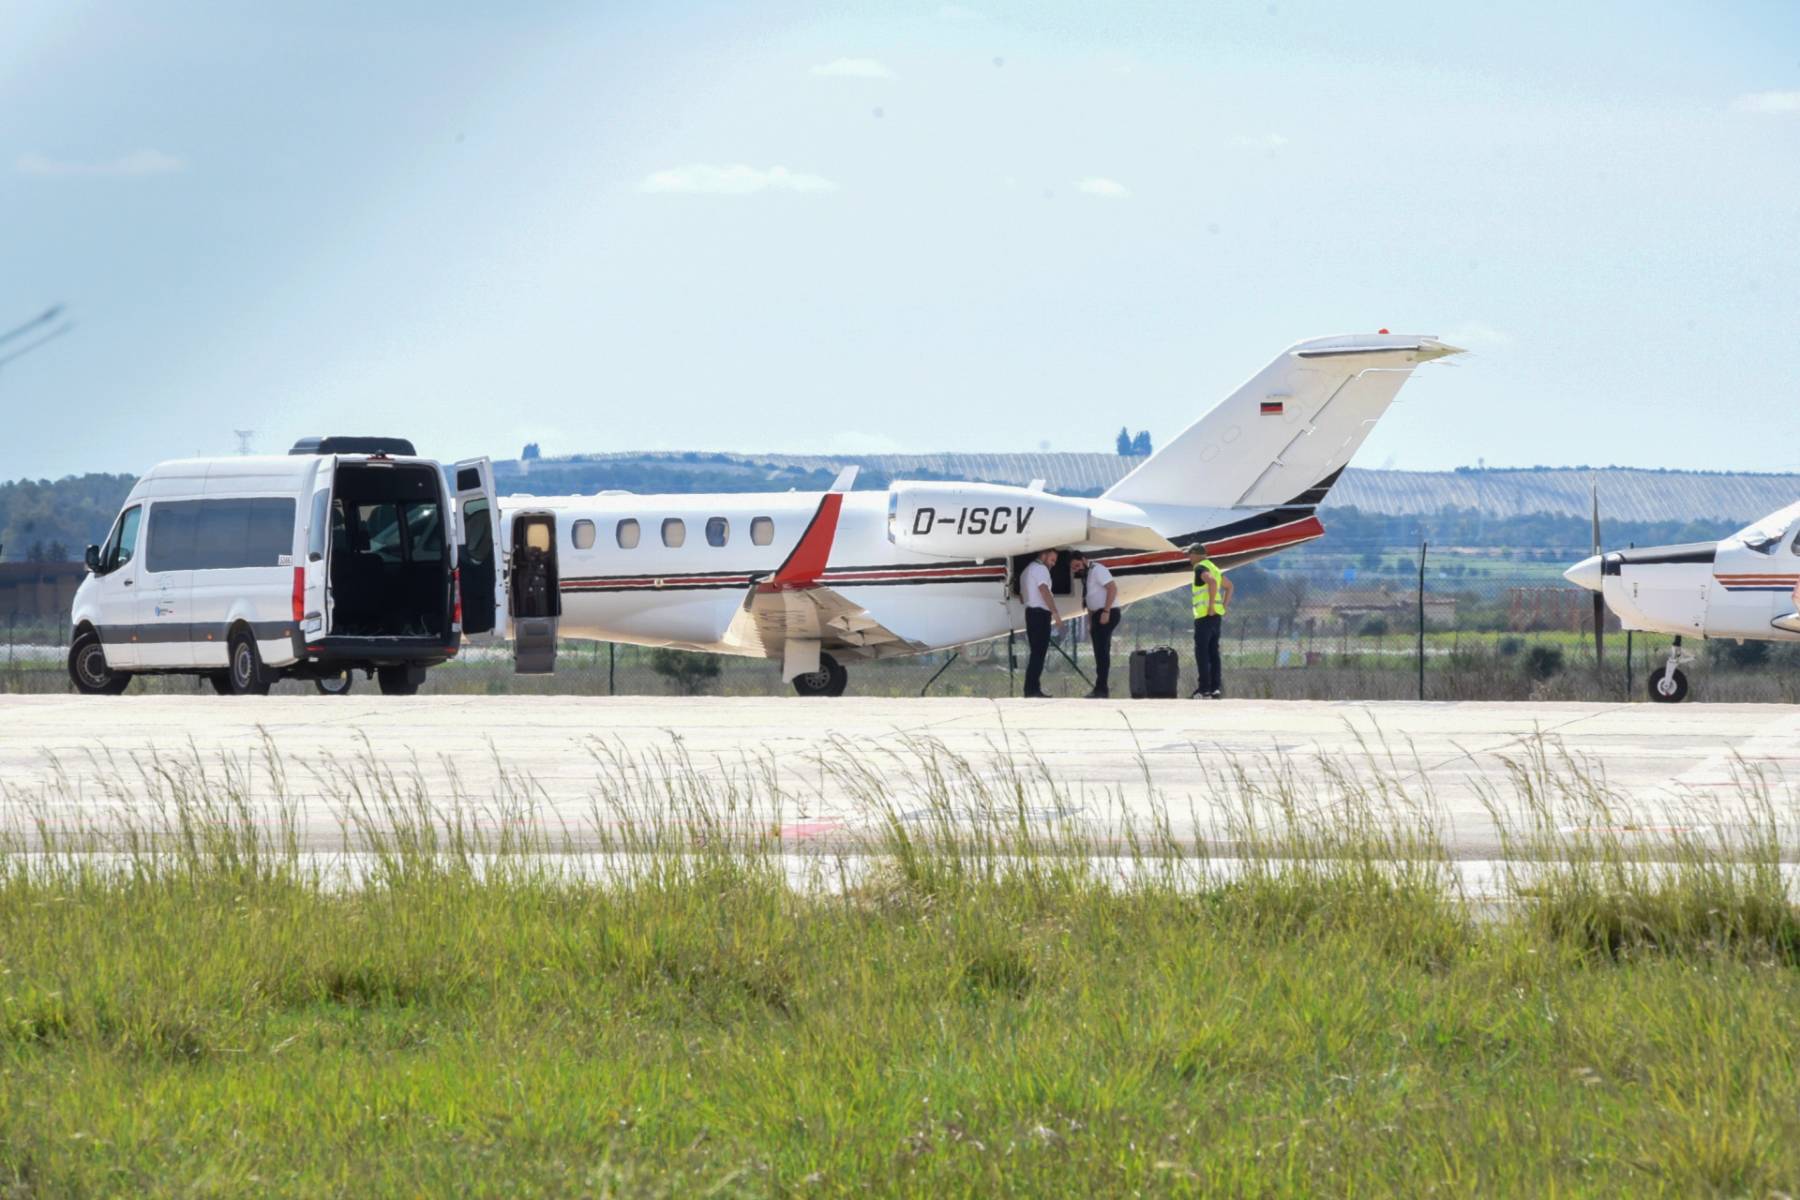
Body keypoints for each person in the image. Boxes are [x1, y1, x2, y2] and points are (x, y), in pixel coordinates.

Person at [1068, 551, 1119, 698]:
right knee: (1099, 651)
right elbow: (1090, 600)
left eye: (1077, 565)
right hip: (1097, 615)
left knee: (1102, 651)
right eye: (1074, 568)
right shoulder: (1087, 575)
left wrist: (1106, 611)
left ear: (1084, 559)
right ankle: (1100, 688)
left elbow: (1112, 588)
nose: (1077, 569)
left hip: (1107, 613)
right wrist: (1090, 622)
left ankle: (1101, 690)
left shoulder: (1097, 570)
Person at [1018, 548, 1062, 698]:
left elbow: (1022, 597)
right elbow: (1044, 590)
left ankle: (1032, 688)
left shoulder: (1027, 571)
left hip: (1030, 613)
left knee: (1036, 653)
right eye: (1052, 559)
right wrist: (1055, 614)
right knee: (1039, 653)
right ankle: (1032, 690)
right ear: (1044, 555)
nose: (1053, 564)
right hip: (1040, 614)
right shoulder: (1040, 569)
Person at [1189, 547, 1232, 698]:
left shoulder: (1200, 568)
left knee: (1202, 653)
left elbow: (1212, 582)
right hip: (1215, 618)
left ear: (1194, 555)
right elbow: (1229, 586)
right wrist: (1223, 608)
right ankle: (1215, 688)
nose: (1189, 558)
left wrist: (1211, 606)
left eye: (1190, 555)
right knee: (1214, 653)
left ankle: (1203, 689)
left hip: (1205, 616)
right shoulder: (1213, 567)